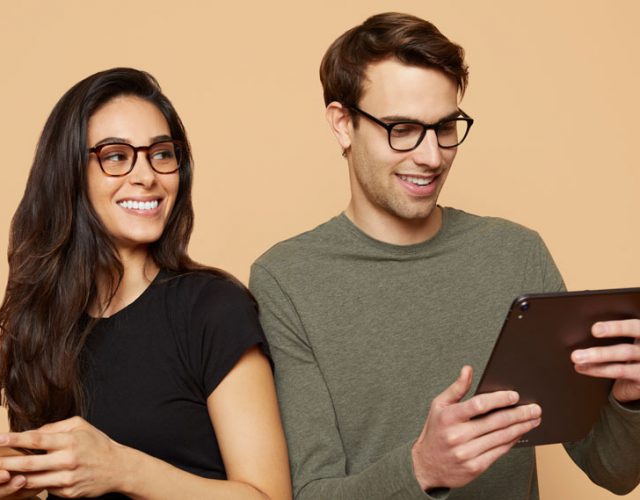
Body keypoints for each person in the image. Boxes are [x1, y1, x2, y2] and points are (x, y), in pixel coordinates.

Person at [249, 12, 640, 499]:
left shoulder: (516, 254)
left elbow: (614, 472)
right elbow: (310, 493)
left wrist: (629, 399)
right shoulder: (286, 279)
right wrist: (421, 469)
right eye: (403, 128)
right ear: (342, 124)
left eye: (445, 126)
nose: (432, 156)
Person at [0, 68, 291, 500]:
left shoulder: (213, 308)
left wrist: (124, 469)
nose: (147, 175)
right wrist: (21, 489)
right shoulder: (38, 325)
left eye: (161, 154)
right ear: (70, 173)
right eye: (116, 155)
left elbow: (270, 497)